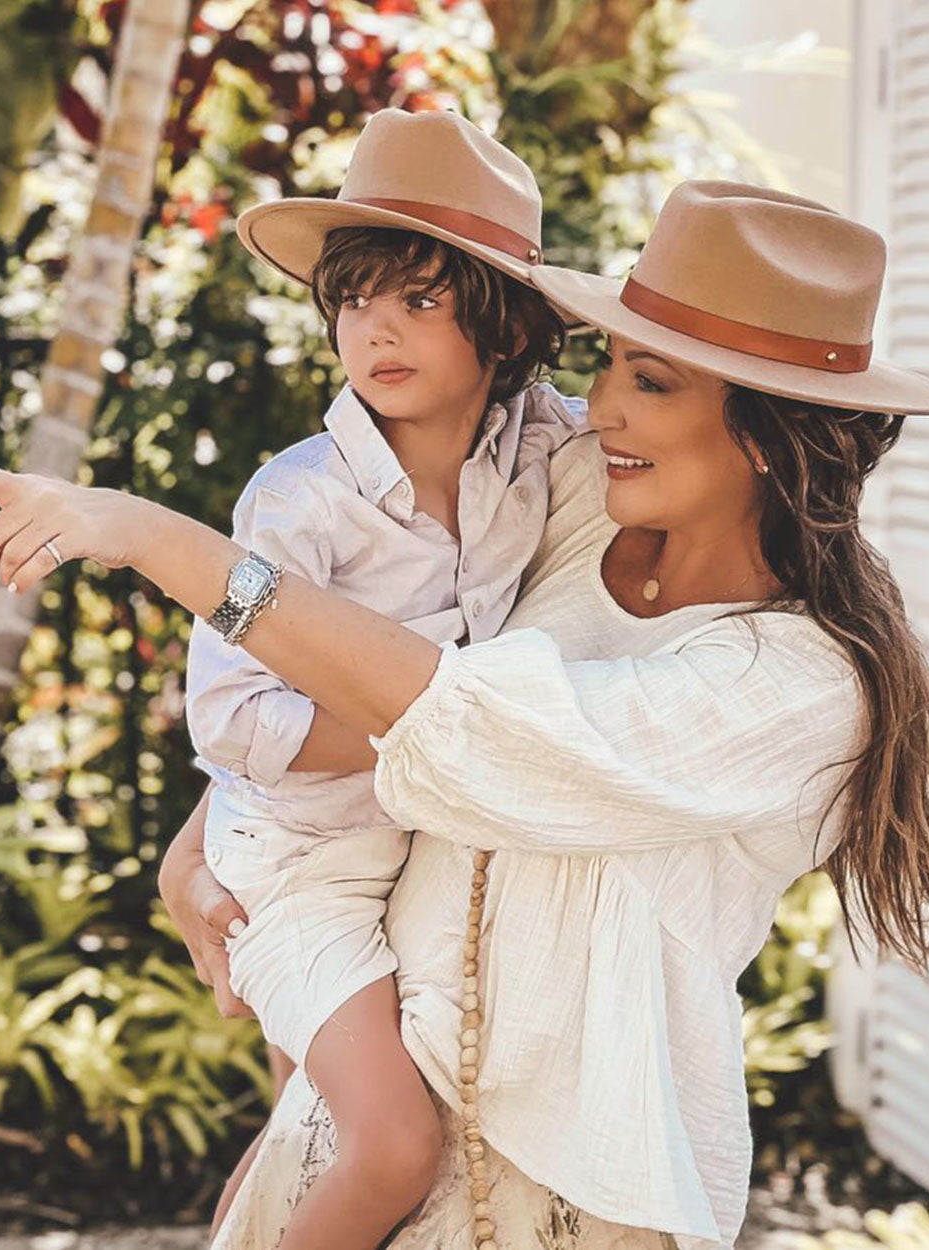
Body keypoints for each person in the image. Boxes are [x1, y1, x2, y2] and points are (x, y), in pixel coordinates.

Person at [0, 180, 929, 1250]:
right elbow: (355, 649)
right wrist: (205, 836)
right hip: (368, 1117)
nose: (598, 408)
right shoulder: (567, 499)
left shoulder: (801, 684)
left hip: (567, 1183)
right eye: (605, 366)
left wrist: (152, 537)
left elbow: (466, 726)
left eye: (646, 382)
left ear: (767, 434)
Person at [190, 106, 584, 1249]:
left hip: (414, 851)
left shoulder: (538, 450)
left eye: (421, 298)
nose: (378, 329)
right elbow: (230, 716)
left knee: (301, 1141)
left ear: (503, 329)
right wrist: (434, 712)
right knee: (388, 1146)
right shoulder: (297, 498)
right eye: (355, 298)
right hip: (300, 863)